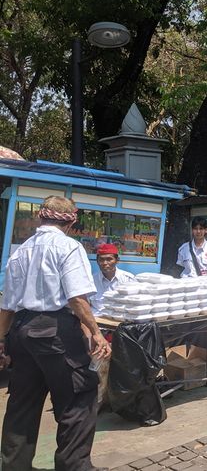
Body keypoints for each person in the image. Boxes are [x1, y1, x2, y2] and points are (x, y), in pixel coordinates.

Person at [0, 196, 110, 470]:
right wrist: (96, 332)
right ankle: (73, 466)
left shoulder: (20, 251)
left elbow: (7, 306)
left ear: (40, 217)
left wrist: (2, 341)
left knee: (22, 404)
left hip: (21, 332)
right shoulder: (69, 247)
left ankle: (13, 465)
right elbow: (77, 299)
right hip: (55, 332)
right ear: (71, 221)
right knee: (79, 399)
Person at [176, 217, 207, 357]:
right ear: (192, 230)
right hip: (190, 290)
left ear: (205, 231)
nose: (198, 231)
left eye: (201, 229)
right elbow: (181, 268)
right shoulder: (184, 249)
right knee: (191, 321)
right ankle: (192, 350)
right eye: (195, 228)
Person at [91, 243, 137, 315]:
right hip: (98, 321)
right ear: (97, 261)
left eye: (109, 259)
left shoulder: (128, 279)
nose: (105, 263)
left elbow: (134, 304)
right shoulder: (91, 281)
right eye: (101, 259)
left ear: (117, 260)